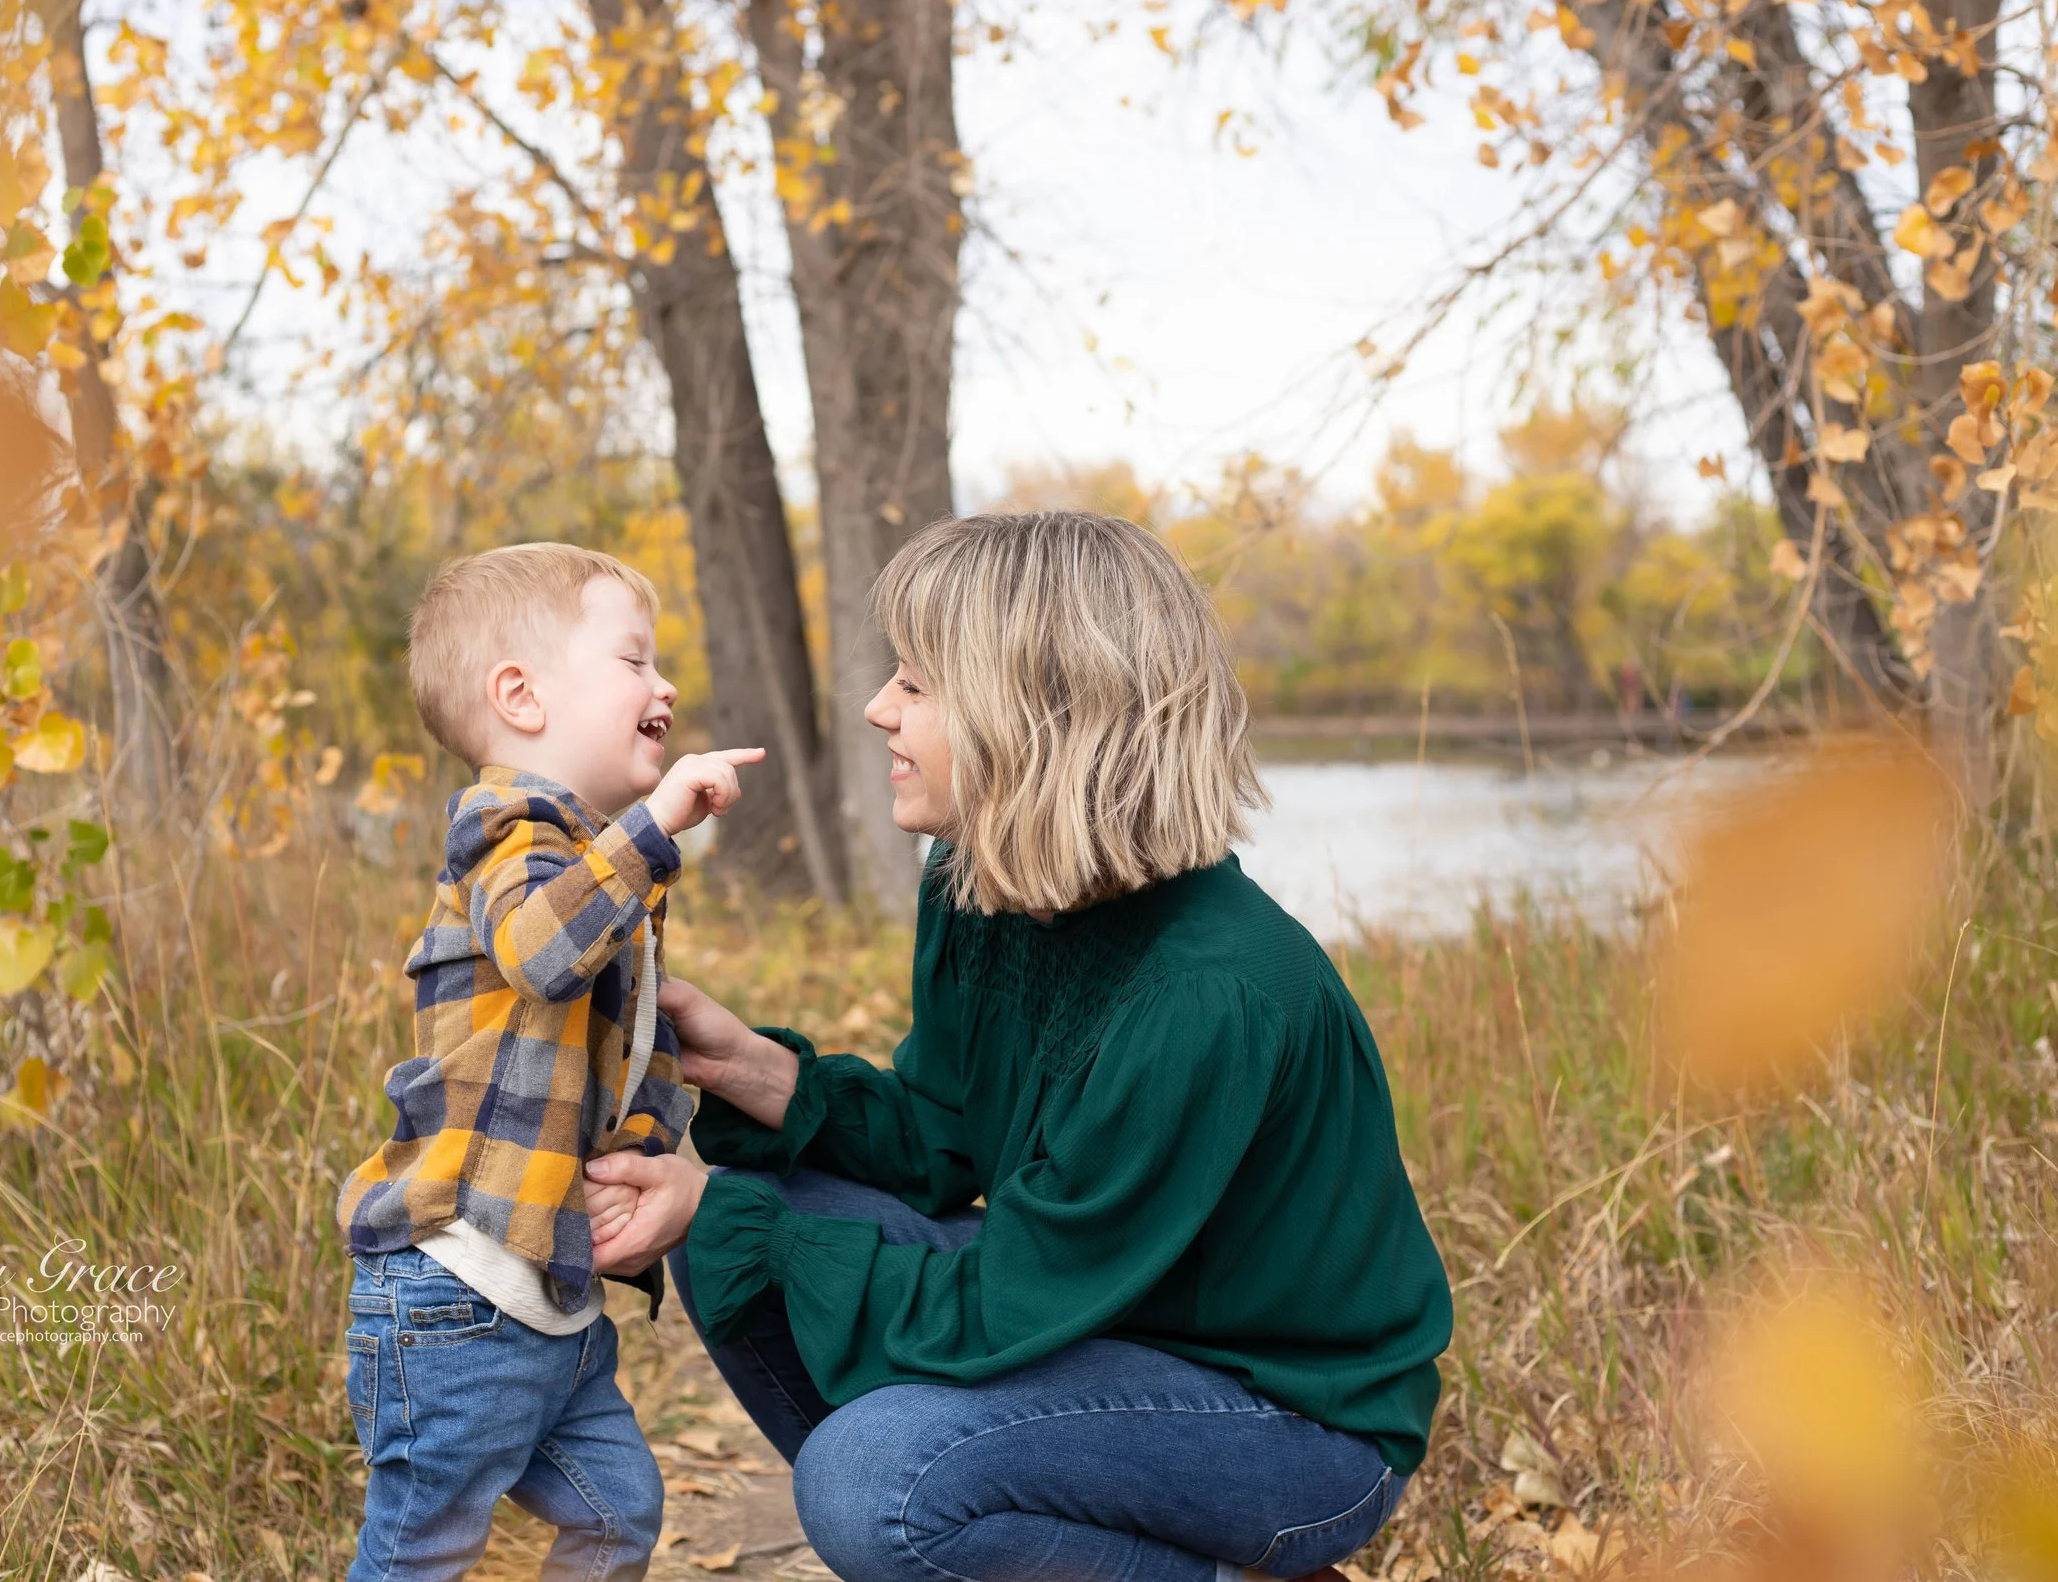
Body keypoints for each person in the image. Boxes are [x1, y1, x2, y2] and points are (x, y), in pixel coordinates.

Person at [586, 512, 1454, 1582]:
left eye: (915, 683)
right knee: (774, 1205)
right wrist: (751, 1069)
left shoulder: (1209, 993)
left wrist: (716, 1208)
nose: (876, 709)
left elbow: (1012, 1294)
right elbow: (946, 1135)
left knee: (873, 1478)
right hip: (1107, 1320)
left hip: (1287, 1419)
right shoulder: (980, 880)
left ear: (1038, 712)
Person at [332, 542, 764, 1582]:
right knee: (423, 1540)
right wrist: (655, 827)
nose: (664, 684)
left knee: (620, 1511)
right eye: (632, 660)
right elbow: (541, 951)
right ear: (520, 696)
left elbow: (609, 1066)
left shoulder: (593, 858)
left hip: (552, 1301)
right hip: (453, 1296)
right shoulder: (507, 831)